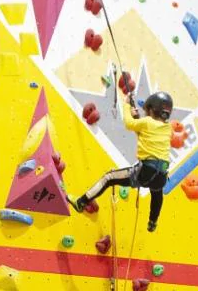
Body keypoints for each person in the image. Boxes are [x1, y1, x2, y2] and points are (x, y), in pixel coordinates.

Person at [71, 91, 174, 232]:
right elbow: (148, 135)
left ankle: (81, 202)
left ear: (151, 110)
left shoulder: (146, 122)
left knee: (109, 178)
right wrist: (138, 117)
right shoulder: (168, 129)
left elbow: (129, 124)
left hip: (146, 171)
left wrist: (126, 105)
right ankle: (152, 222)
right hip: (161, 174)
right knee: (157, 194)